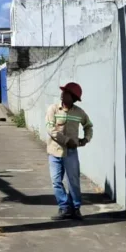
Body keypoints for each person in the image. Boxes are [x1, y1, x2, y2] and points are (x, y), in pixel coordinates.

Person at [45, 81, 93, 220]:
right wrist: (67, 141)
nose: (62, 94)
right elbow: (50, 129)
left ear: (72, 97)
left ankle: (75, 208)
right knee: (56, 181)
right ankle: (64, 208)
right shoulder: (53, 109)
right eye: (63, 92)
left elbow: (89, 126)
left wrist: (86, 139)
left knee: (73, 181)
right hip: (54, 151)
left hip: (71, 153)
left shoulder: (79, 113)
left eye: (65, 92)